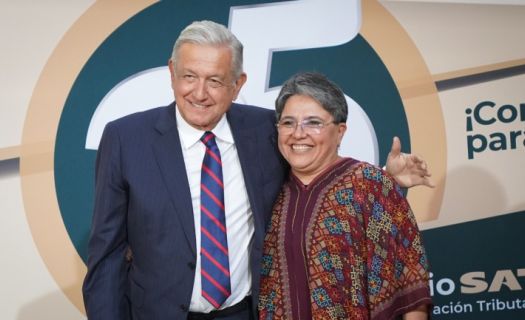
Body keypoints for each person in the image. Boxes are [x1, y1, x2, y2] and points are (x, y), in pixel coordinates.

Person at [82, 21, 432, 320]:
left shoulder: (267, 130)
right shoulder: (126, 139)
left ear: (238, 84)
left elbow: (319, 176)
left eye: (216, 81)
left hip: (246, 313)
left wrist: (385, 178)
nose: (199, 93)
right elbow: (107, 256)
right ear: (172, 72)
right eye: (189, 76)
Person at [258, 72, 432, 320]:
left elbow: (410, 285)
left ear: (340, 132)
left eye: (313, 123)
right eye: (288, 123)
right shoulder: (266, 190)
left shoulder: (370, 185)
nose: (298, 133)